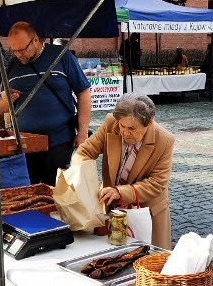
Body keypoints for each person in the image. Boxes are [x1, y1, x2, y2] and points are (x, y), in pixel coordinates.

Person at [72, 93, 175, 249]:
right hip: (113, 209)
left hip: (147, 211)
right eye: (122, 126)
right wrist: (82, 179)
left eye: (132, 128)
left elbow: (157, 183)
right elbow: (84, 152)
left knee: (149, 259)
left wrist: (121, 192)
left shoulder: (165, 140)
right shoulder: (111, 123)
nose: (125, 133)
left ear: (149, 123)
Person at [0, 21, 91, 184]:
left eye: (22, 50)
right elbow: (1, 106)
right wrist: (5, 101)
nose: (18, 55)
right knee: (27, 190)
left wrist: (83, 132)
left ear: (35, 40)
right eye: (14, 51)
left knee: (55, 191)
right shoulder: (12, 66)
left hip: (58, 141)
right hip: (23, 143)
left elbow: (83, 92)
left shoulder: (62, 56)